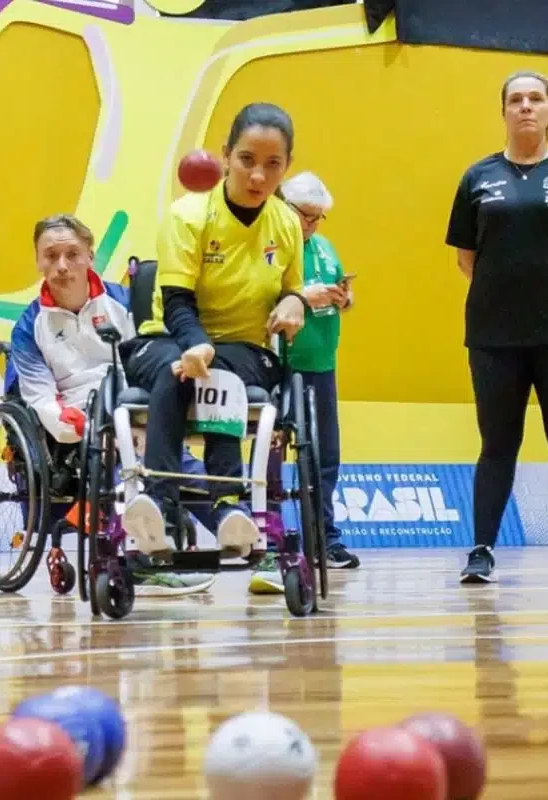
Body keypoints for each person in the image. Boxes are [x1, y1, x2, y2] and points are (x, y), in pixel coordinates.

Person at [122, 102, 306, 592]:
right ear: (225, 156)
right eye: (247, 159)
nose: (258, 174)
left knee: (218, 371)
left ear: (286, 166)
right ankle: (160, 507)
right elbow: (177, 300)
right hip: (167, 336)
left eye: (273, 164)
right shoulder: (187, 216)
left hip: (244, 348)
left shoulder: (287, 224)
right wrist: (196, 346)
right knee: (180, 370)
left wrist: (295, 303)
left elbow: (291, 289)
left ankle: (228, 508)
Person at [445, 70, 548, 585]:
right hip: (495, 337)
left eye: (535, 98)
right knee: (497, 443)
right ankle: (481, 551)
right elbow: (466, 258)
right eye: (515, 99)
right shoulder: (477, 178)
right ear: (503, 111)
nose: (525, 107)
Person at [9, 214, 215, 596]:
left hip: (136, 404)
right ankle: (145, 556)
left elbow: (155, 355)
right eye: (50, 256)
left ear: (90, 256)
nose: (61, 265)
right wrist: (67, 420)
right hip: (77, 422)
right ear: (38, 260)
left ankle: (247, 538)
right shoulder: (29, 325)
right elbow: (36, 394)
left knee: (175, 460)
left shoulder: (124, 302)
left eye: (72, 254)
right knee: (122, 446)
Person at [280, 171, 360, 571]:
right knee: (274, 457)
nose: (311, 225)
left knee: (326, 457)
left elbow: (338, 289)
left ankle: (325, 539)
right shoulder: (272, 247)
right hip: (282, 366)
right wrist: (302, 297)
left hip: (322, 365)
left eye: (317, 217)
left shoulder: (324, 246)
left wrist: (344, 298)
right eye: (305, 216)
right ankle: (274, 538)